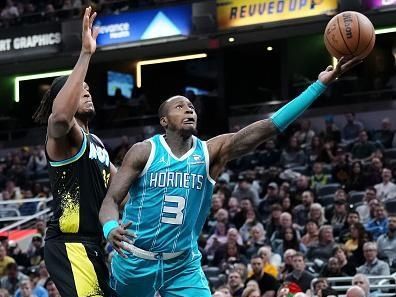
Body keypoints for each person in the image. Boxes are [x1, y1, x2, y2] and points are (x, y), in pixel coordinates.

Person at [99, 57, 360, 297]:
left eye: (192, 107)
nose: (189, 110)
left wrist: (318, 86)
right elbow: (111, 200)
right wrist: (111, 228)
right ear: (164, 121)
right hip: (135, 259)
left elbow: (268, 128)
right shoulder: (144, 151)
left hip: (182, 264)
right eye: (180, 107)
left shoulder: (211, 152)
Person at [32, 7, 116, 297]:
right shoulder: (60, 137)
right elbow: (58, 118)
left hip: (93, 244)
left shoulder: (98, 145)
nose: (87, 91)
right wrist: (85, 55)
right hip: (70, 243)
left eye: (88, 88)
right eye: (80, 88)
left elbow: (122, 189)